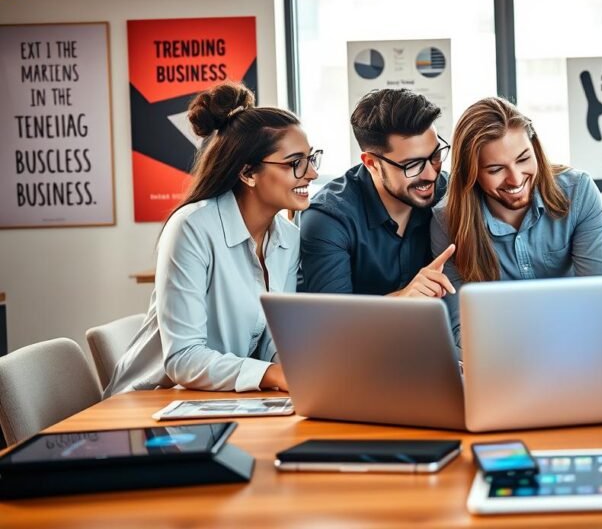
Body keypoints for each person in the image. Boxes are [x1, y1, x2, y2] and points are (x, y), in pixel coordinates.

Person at [105, 82, 320, 396]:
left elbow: (273, 344)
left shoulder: (288, 237)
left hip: (217, 399)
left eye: (311, 159)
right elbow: (182, 359)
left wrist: (296, 367)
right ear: (248, 173)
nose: (311, 173)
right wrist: (274, 374)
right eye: (295, 163)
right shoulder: (191, 228)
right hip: (149, 401)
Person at [431, 97, 602, 347]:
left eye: (523, 159)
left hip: (579, 349)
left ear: (535, 148)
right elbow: (461, 331)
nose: (515, 179)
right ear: (471, 174)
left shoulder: (578, 191)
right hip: (500, 361)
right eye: (496, 169)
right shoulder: (446, 221)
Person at [300, 89, 455, 297]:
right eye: (413, 164)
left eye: (435, 155)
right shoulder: (328, 219)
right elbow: (332, 322)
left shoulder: (449, 193)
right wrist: (402, 299)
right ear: (372, 163)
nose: (431, 174)